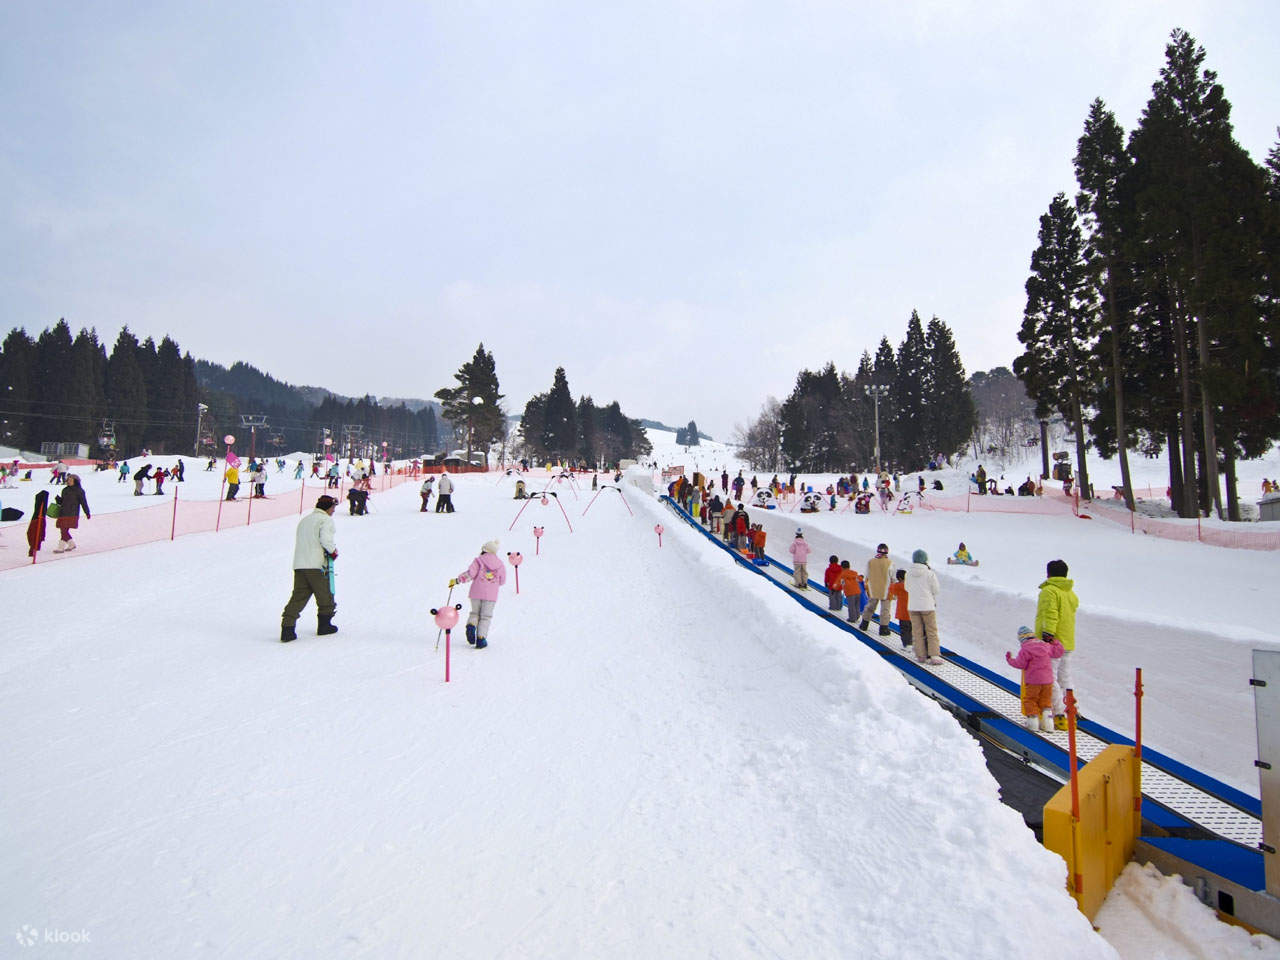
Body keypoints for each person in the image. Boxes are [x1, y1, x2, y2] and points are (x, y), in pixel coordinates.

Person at [280, 494, 339, 642]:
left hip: (300, 564)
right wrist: (333, 551)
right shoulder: (325, 520)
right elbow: (325, 539)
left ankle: (287, 628)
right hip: (316, 564)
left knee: (299, 596)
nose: (333, 511)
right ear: (328, 508)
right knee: (325, 595)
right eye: (333, 508)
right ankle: (324, 625)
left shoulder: (305, 520)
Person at [1036, 559, 1080, 730]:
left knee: (1050, 677)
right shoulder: (1070, 593)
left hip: (1053, 642)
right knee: (1065, 677)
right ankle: (1072, 710)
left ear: (1048, 573)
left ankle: (1059, 713)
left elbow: (1050, 614)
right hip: (1067, 641)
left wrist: (1047, 635)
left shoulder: (1049, 591)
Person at [451, 540, 507, 649]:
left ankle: (471, 625)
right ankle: (481, 639)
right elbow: (502, 581)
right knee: (485, 616)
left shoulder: (478, 561)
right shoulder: (500, 564)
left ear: (484, 550)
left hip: (476, 592)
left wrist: (458, 580)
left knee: (475, 613)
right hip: (491, 595)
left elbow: (470, 574)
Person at [1006, 625, 1064, 732]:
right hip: (1047, 681)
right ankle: (1048, 725)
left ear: (1022, 639)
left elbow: (1020, 664)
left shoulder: (1025, 649)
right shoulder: (1045, 646)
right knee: (1046, 701)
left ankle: (1033, 724)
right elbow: (1058, 652)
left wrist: (1009, 659)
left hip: (1033, 682)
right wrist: (1055, 642)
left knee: (1030, 700)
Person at [905, 549, 942, 665]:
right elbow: (936, 590)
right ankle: (934, 655)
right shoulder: (929, 573)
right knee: (931, 630)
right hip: (927, 606)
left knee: (917, 631)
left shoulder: (908, 573)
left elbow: (907, 588)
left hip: (913, 606)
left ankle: (920, 655)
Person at [859, 543, 894, 636]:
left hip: (873, 589)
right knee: (885, 610)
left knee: (870, 606)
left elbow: (866, 574)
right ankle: (883, 629)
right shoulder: (890, 563)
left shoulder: (871, 561)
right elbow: (893, 577)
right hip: (886, 590)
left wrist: (866, 585)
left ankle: (864, 624)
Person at [51, 473, 90, 552]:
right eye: (68, 480)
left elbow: (83, 502)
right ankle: (71, 544)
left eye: (70, 480)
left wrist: (87, 512)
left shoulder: (79, 491)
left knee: (64, 529)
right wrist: (59, 500)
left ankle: (61, 547)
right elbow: (63, 502)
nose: (68, 481)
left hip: (72, 513)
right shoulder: (65, 490)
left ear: (75, 481)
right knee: (63, 529)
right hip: (63, 512)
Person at [887, 569, 911, 650]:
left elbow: (891, 589)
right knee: (912, 628)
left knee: (904, 629)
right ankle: (913, 643)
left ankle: (906, 644)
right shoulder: (912, 585)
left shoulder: (897, 586)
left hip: (903, 612)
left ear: (899, 578)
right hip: (912, 611)